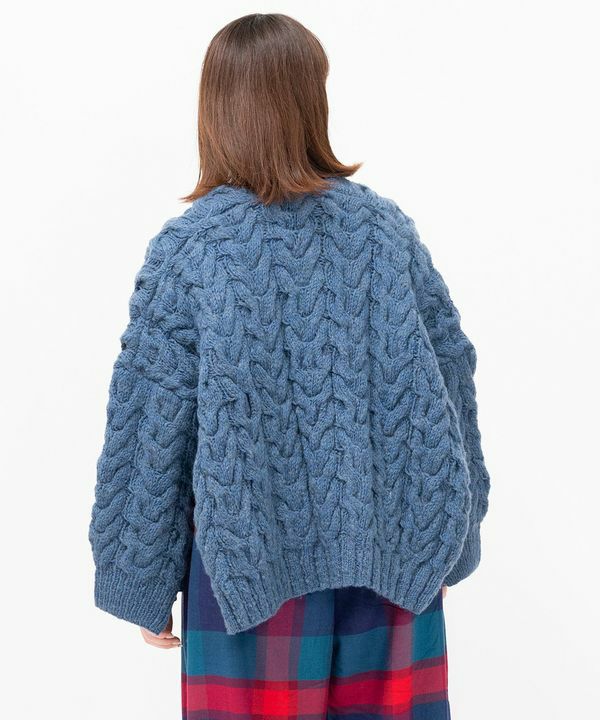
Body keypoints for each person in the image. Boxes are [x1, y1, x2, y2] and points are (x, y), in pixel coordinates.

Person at [88, 12, 490, 720]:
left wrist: (140, 577)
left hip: (245, 570)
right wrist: (452, 541)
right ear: (313, 100)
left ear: (216, 110)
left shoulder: (192, 249)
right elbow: (451, 379)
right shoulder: (385, 232)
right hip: (393, 561)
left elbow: (150, 419)